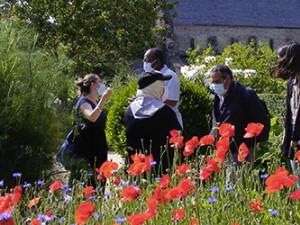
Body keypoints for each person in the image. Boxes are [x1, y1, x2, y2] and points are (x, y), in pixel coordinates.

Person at [123, 71, 182, 174]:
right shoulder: (165, 111)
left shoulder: (129, 110)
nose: (164, 87)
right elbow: (178, 136)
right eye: (162, 84)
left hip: (135, 166)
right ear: (155, 87)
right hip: (160, 167)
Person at [210, 65, 269, 163]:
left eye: (217, 81)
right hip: (224, 149)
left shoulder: (245, 94)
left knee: (240, 176)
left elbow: (259, 120)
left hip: (243, 148)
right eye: (212, 82)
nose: (214, 85)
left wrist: (252, 141)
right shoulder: (218, 97)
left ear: (228, 79)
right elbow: (216, 120)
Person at [73, 74, 112, 187]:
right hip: (88, 149)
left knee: (101, 181)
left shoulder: (95, 102)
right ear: (93, 84)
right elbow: (92, 117)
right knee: (90, 183)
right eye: (100, 82)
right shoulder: (83, 101)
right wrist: (103, 100)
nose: (103, 85)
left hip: (99, 147)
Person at [272, 41, 300, 188]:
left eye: (280, 59)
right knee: (298, 182)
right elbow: (290, 114)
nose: (278, 63)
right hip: (294, 139)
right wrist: (287, 140)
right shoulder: (291, 82)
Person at [143, 47, 183, 129]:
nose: (144, 63)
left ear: (157, 62)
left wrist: (147, 100)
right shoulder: (149, 77)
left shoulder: (170, 76)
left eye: (146, 60)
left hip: (169, 123)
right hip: (153, 122)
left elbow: (172, 102)